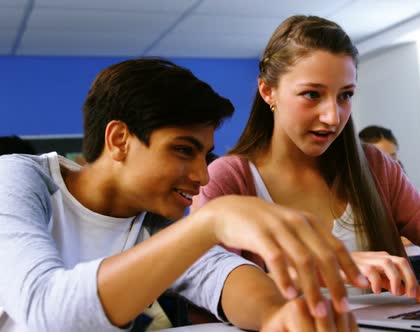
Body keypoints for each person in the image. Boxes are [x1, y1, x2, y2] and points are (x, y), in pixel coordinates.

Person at [0, 58, 367, 332]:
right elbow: (45, 310)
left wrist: (278, 316)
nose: (201, 175)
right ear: (119, 140)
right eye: (182, 150)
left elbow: (221, 275)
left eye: (205, 156)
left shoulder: (152, 220)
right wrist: (210, 222)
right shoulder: (17, 178)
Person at [195, 15, 420, 301]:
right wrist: (331, 268)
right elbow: (212, 285)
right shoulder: (229, 178)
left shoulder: (375, 166)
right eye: (312, 94)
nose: (332, 117)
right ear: (267, 91)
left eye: (345, 96)